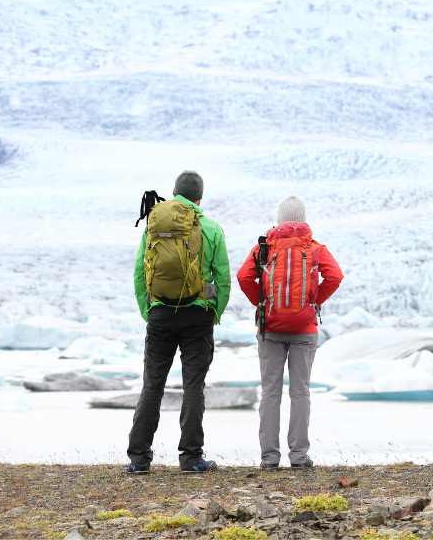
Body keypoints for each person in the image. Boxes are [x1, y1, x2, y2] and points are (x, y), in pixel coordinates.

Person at [127, 170, 231, 474]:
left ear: (174, 194)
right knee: (193, 387)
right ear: (200, 198)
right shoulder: (211, 228)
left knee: (152, 385)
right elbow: (222, 279)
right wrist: (213, 313)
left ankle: (139, 459)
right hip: (197, 316)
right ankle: (190, 459)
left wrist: (150, 311)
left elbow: (138, 275)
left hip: (160, 314)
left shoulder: (154, 226)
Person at [236, 195, 343, 470]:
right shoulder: (316, 247)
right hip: (305, 328)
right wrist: (314, 302)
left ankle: (269, 458)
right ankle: (298, 457)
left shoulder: (264, 247)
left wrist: (262, 305)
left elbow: (244, 277)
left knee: (270, 392)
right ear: (303, 219)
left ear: (278, 219)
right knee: (301, 392)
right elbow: (335, 276)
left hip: (270, 327)